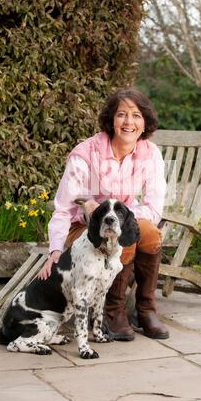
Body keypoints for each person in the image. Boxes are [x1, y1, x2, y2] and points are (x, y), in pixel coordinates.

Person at [38, 86, 169, 340]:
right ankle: (113, 311)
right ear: (111, 120)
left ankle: (146, 309)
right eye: (121, 114)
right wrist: (55, 250)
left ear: (145, 123)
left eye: (136, 115)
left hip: (119, 225)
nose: (128, 122)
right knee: (122, 233)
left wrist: (121, 217)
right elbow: (64, 208)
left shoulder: (150, 154)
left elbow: (153, 207)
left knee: (148, 232)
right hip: (84, 230)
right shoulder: (86, 153)